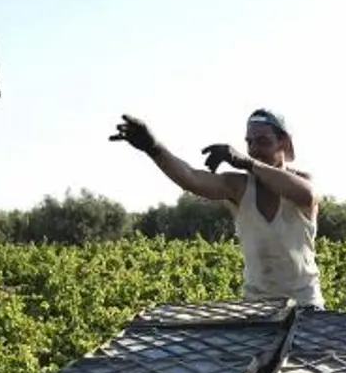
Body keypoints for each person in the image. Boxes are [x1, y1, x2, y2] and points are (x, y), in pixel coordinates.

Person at [110, 108, 325, 308]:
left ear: (283, 143)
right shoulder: (238, 187)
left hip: (306, 304)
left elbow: (307, 195)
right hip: (256, 306)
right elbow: (191, 178)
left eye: (263, 142)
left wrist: (249, 163)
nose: (254, 150)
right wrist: (153, 147)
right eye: (250, 143)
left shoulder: (302, 181)